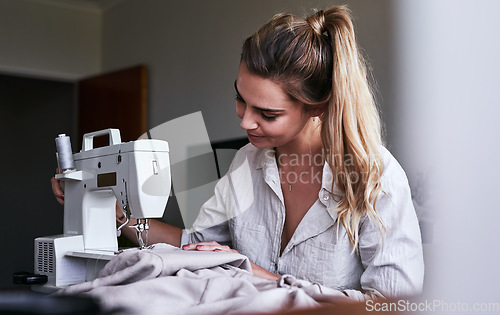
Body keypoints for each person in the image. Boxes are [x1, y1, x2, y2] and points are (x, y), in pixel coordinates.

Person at [51, 5, 423, 299]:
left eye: (268, 114)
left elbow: (390, 306)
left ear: (318, 107)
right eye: (240, 100)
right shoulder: (248, 161)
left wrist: (269, 280)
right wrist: (117, 218)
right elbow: (195, 247)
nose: (245, 122)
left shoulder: (376, 178)